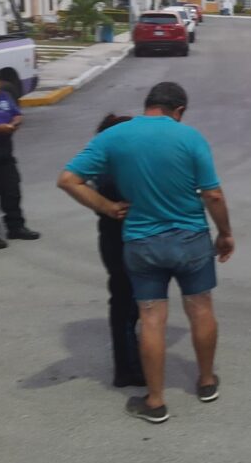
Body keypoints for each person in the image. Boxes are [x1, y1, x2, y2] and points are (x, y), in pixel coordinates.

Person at [58, 82, 235, 424]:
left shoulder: (115, 135)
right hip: (191, 240)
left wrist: (107, 207)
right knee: (201, 309)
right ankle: (206, 381)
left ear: (148, 104)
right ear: (179, 111)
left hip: (142, 243)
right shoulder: (191, 137)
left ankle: (155, 401)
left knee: (152, 319)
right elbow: (213, 195)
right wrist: (225, 234)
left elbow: (68, 179)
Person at [93, 113, 145, 387]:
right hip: (119, 241)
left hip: (122, 240)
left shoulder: (110, 163)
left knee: (129, 303)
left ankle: (130, 361)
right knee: (126, 304)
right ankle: (127, 368)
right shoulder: (109, 168)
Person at [0, 68, 40, 249]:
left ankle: (16, 227)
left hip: (5, 153)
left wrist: (15, 122)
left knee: (12, 192)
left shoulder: (4, 96)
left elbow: (16, 113)